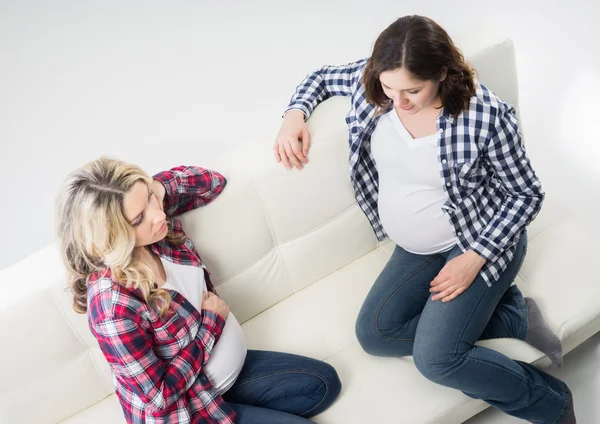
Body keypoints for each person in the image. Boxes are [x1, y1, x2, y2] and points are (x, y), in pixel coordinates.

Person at [274, 15, 575, 423]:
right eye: (388, 87)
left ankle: (552, 405)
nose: (397, 101)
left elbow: (526, 195)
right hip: (419, 247)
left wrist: (475, 256)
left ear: (442, 73)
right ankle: (514, 317)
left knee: (436, 360)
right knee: (374, 334)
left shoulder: (484, 116)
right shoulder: (378, 85)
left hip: (478, 240)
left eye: (412, 90)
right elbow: (324, 78)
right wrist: (294, 114)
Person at [56, 157, 341, 424]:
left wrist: (153, 190)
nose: (157, 216)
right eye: (138, 219)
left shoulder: (155, 232)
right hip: (189, 409)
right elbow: (159, 397)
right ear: (110, 237)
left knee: (324, 385)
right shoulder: (112, 307)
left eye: (151, 199)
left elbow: (212, 182)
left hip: (224, 379)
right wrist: (211, 325)